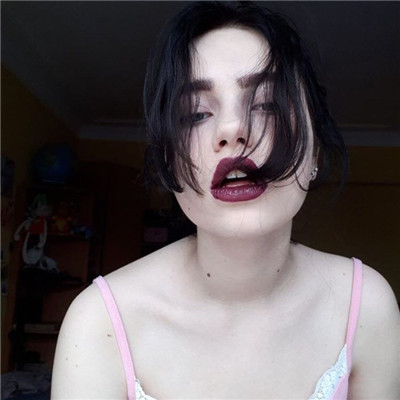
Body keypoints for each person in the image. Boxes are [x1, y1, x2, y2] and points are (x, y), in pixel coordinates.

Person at [52, 2, 399, 399]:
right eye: (195, 114)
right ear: (168, 161)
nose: (232, 128)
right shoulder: (98, 323)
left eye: (267, 104)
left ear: (314, 149)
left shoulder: (366, 305)